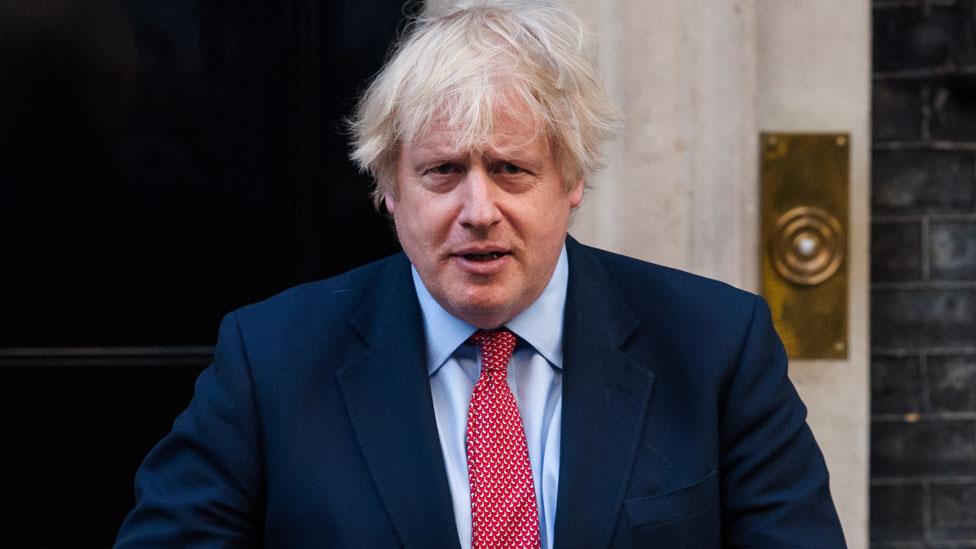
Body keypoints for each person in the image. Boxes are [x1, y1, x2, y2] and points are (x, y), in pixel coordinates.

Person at [115, 2, 847, 547]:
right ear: (390, 189)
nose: (479, 210)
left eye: (510, 169)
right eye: (442, 171)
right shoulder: (271, 361)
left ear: (571, 180)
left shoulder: (716, 348)